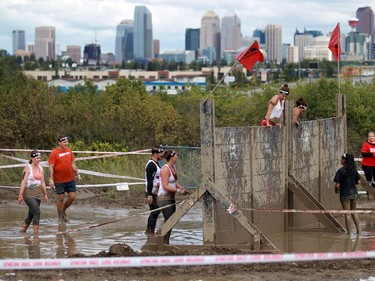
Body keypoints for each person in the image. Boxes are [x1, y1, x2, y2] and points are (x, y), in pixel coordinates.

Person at [157, 149, 188, 244]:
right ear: (171, 157)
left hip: (171, 198)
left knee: (171, 221)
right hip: (163, 198)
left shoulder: (173, 167)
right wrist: (179, 191)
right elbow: (166, 186)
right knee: (169, 221)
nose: (177, 157)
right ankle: (161, 241)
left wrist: (181, 188)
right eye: (176, 156)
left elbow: (174, 182)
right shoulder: (165, 169)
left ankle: (166, 242)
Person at [48, 135, 81, 223]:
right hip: (59, 180)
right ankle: (60, 218)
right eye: (64, 142)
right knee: (61, 198)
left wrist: (77, 173)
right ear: (59, 143)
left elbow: (72, 163)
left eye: (66, 142)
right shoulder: (54, 152)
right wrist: (51, 180)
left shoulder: (69, 151)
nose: (66, 144)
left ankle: (63, 211)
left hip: (70, 178)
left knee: (72, 197)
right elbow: (51, 167)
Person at [18, 150, 48, 237]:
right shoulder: (28, 168)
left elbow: (42, 182)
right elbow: (23, 182)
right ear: (32, 158)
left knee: (31, 215)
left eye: (40, 158)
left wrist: (45, 193)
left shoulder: (41, 168)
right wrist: (20, 195)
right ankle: (36, 236)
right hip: (28, 193)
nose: (39, 160)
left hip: (38, 194)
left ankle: (23, 231)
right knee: (37, 212)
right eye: (37, 158)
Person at [333, 152, 361, 235]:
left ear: (345, 160)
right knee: (354, 212)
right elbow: (358, 182)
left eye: (341, 159)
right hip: (354, 194)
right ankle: (359, 231)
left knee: (347, 214)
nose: (340, 160)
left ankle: (349, 233)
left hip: (345, 195)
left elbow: (337, 185)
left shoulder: (340, 171)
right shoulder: (354, 170)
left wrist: (336, 190)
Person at [144, 145, 164, 236]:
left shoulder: (156, 164)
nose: (162, 155)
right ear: (156, 154)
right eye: (161, 153)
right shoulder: (151, 165)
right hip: (151, 192)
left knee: (156, 212)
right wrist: (149, 195)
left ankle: (149, 231)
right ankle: (150, 232)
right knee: (155, 212)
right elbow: (150, 180)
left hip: (156, 192)